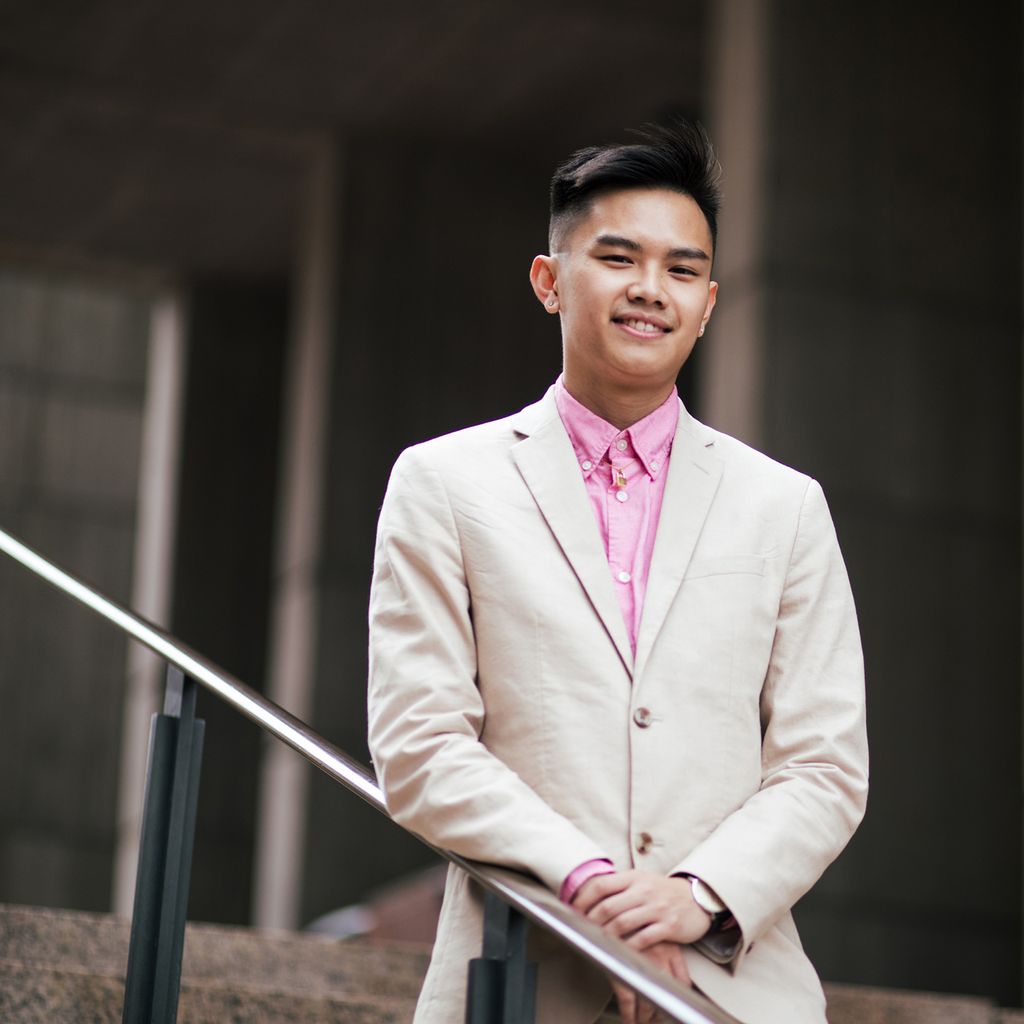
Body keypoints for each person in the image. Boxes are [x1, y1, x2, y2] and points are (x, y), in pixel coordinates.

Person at [366, 120, 867, 1024]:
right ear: (549, 280)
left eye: (681, 270)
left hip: (734, 989)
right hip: (517, 978)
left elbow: (823, 767)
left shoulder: (785, 507)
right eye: (619, 257)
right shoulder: (444, 483)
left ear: (710, 304)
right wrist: (592, 886)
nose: (650, 291)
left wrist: (695, 896)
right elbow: (419, 745)